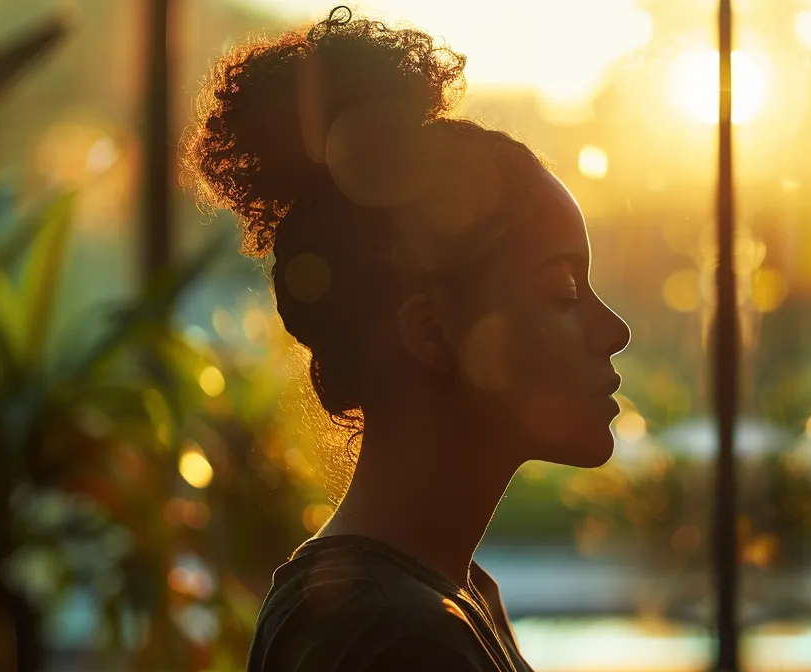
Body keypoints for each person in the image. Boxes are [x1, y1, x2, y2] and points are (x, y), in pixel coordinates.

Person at [184, 7, 630, 671]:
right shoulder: (395, 635)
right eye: (563, 291)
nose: (613, 329)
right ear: (431, 331)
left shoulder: (451, 597)